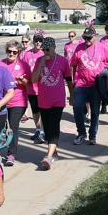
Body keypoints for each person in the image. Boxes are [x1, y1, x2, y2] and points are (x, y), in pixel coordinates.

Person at [31, 37, 74, 169]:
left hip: (58, 100)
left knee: (54, 126)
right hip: (43, 100)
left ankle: (48, 157)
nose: (45, 52)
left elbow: (69, 80)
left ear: (54, 48)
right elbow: (33, 80)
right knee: (47, 129)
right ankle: (54, 151)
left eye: (48, 49)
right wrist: (41, 64)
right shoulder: (39, 60)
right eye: (43, 49)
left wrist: (72, 95)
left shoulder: (62, 61)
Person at [70, 26, 108, 145]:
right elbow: (73, 65)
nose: (87, 40)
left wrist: (106, 75)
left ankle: (92, 135)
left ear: (95, 36)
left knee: (95, 111)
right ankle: (81, 133)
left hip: (96, 85)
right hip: (81, 84)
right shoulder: (79, 48)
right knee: (77, 108)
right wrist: (74, 80)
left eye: (89, 37)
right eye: (85, 38)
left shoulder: (102, 48)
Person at [0, 40, 30, 166]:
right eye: (9, 51)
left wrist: (22, 80)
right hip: (2, 101)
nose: (11, 54)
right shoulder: (0, 64)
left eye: (14, 52)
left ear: (19, 53)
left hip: (18, 101)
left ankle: (11, 154)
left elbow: (30, 83)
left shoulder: (23, 65)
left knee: (13, 126)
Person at [20, 33, 45, 143]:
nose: (38, 42)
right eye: (36, 40)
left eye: (40, 40)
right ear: (33, 41)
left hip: (42, 88)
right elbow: (23, 68)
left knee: (43, 111)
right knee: (35, 111)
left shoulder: (44, 53)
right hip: (31, 87)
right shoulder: (27, 54)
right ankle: (38, 130)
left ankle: (44, 132)